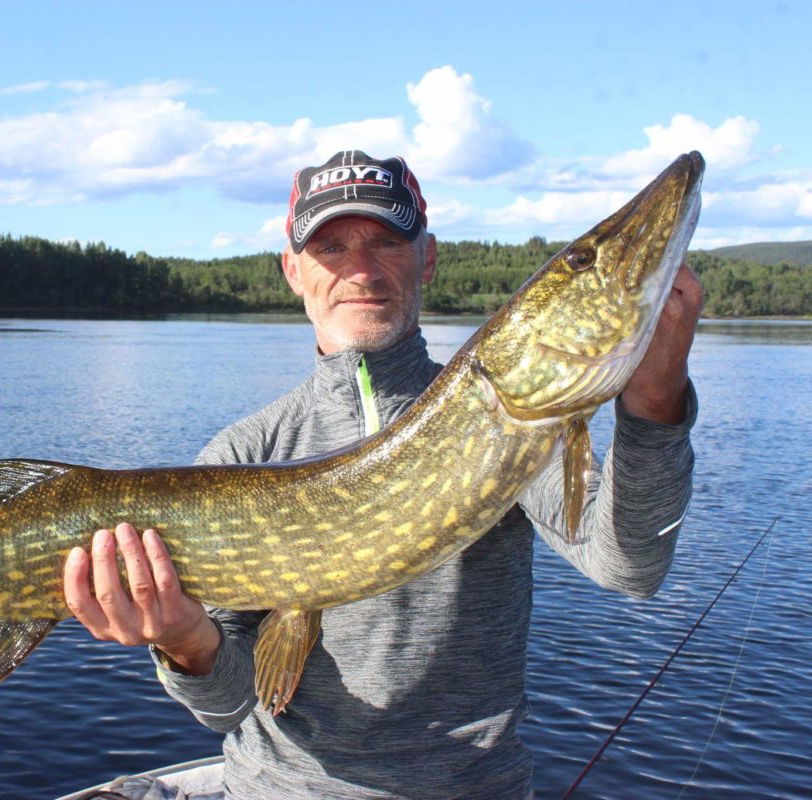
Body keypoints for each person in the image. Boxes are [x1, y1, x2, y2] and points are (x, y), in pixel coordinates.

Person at [62, 150, 701, 799]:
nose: (362, 271)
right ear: (293, 270)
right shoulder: (245, 451)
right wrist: (183, 640)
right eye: (331, 248)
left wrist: (655, 404)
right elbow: (228, 706)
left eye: (387, 242)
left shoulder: (514, 422)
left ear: (427, 258)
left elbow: (629, 566)